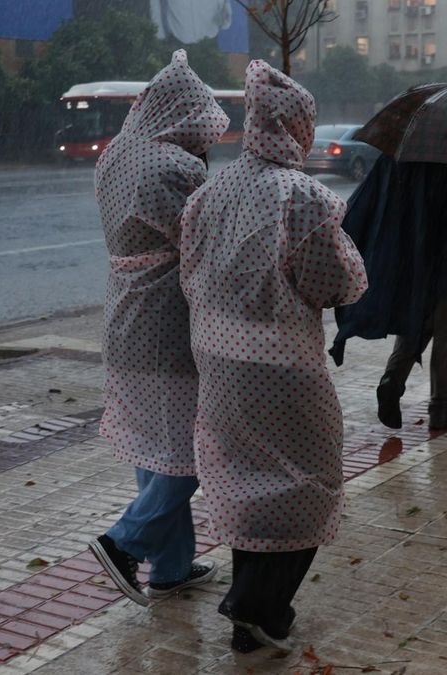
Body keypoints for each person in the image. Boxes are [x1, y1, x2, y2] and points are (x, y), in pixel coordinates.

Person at [179, 60, 368, 652]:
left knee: (245, 482)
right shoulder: (303, 196)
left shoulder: (209, 192)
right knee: (310, 480)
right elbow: (334, 282)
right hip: (283, 369)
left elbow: (190, 274)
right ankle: (257, 604)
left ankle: (251, 621)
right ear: (296, 126)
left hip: (216, 362)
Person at [88, 50, 229, 606]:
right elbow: (202, 245)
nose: (204, 140)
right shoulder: (177, 167)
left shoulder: (115, 156)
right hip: (167, 321)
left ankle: (170, 569)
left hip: (123, 313)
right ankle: (124, 541)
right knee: (195, 451)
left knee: (154, 447)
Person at [329, 156, 447, 431]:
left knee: (415, 321)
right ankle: (441, 408)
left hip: (414, 261)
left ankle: (392, 379)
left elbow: (369, 204)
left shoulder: (402, 159)